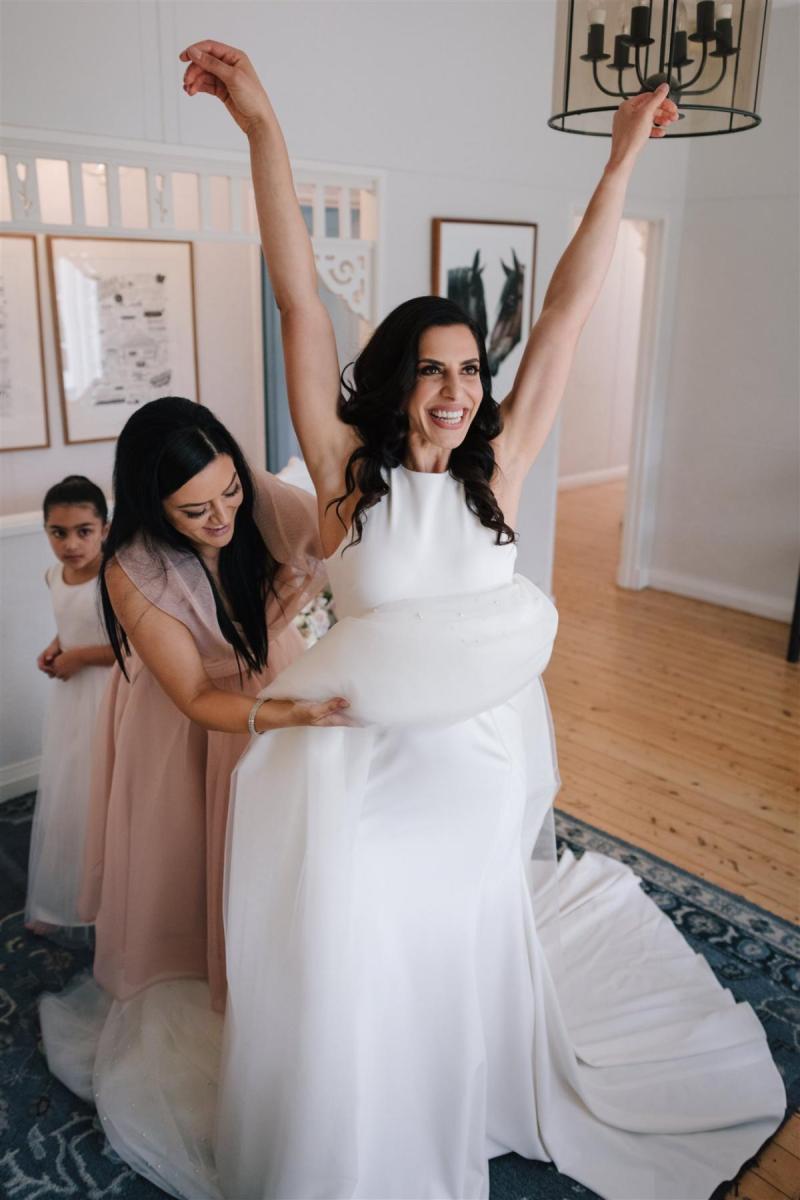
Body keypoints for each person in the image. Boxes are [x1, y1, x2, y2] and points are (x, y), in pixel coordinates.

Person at [39, 398, 350, 1195]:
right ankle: (205, 986)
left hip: (276, 679)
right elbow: (192, 698)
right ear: (152, 505)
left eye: (229, 496)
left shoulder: (249, 492)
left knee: (284, 864)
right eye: (195, 509)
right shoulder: (130, 569)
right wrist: (285, 714)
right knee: (188, 870)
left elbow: (336, 536)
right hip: (193, 724)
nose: (221, 516)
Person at [25, 475, 114, 938]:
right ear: (46, 531)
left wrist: (79, 657)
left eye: (83, 530)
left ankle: (109, 901)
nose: (71, 544)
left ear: (104, 528)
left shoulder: (115, 578)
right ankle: (65, 898)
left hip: (108, 694)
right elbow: (73, 620)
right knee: (67, 793)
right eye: (58, 533)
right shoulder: (52, 575)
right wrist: (57, 645)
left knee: (102, 794)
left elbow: (134, 646)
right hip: (70, 701)